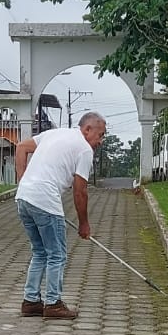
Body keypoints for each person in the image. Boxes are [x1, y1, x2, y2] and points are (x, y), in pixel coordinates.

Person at [12, 111, 107, 319]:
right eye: (100, 135)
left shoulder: (55, 133)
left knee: (40, 252)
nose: (100, 141)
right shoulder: (84, 150)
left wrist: (24, 181)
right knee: (57, 255)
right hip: (45, 200)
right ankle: (53, 304)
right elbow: (80, 191)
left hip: (24, 198)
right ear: (87, 129)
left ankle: (30, 301)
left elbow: (21, 147)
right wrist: (84, 224)